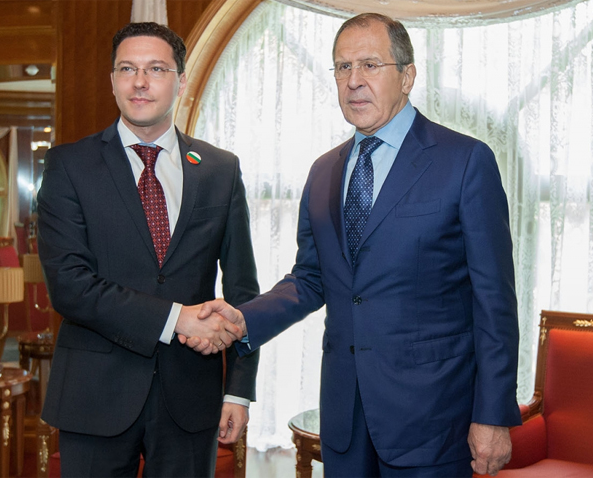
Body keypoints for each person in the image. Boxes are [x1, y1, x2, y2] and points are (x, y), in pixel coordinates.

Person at [189, 12, 520, 477]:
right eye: (343, 67)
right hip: (344, 418)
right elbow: (310, 279)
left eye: (369, 65)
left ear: (407, 76)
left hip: (432, 420)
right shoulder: (324, 171)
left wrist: (493, 414)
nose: (353, 81)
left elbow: (495, 301)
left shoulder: (465, 162)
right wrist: (245, 319)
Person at [36, 22, 259, 477]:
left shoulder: (220, 169)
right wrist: (177, 318)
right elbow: (69, 286)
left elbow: (243, 291)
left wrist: (239, 389)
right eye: (127, 69)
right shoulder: (69, 166)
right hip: (94, 396)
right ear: (112, 81)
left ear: (181, 81)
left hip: (191, 399)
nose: (140, 81)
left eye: (156, 69)